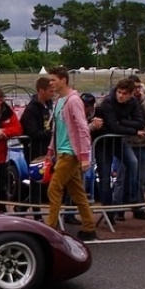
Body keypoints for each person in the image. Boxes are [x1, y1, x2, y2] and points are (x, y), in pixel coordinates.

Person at [44, 67, 97, 241]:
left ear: (63, 80)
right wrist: (51, 150)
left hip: (69, 153)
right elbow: (57, 130)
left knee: (54, 188)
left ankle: (50, 228)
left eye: (53, 80)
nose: (50, 83)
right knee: (77, 193)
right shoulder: (59, 100)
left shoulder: (73, 101)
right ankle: (89, 227)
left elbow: (82, 128)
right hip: (62, 151)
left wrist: (84, 156)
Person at [97, 79, 145, 223]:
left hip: (118, 140)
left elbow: (141, 122)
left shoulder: (132, 102)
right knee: (105, 178)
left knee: (133, 163)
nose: (120, 96)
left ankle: (124, 199)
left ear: (131, 94)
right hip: (103, 141)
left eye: (124, 94)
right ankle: (109, 212)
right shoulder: (108, 102)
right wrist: (133, 130)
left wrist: (122, 121)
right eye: (119, 92)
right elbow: (113, 126)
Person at [20, 76, 54, 208]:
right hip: (34, 150)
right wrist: (50, 133)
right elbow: (33, 132)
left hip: (47, 149)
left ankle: (23, 206)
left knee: (45, 181)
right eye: (50, 91)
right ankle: (36, 212)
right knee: (36, 181)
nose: (53, 93)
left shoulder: (50, 105)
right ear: (41, 91)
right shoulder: (31, 109)